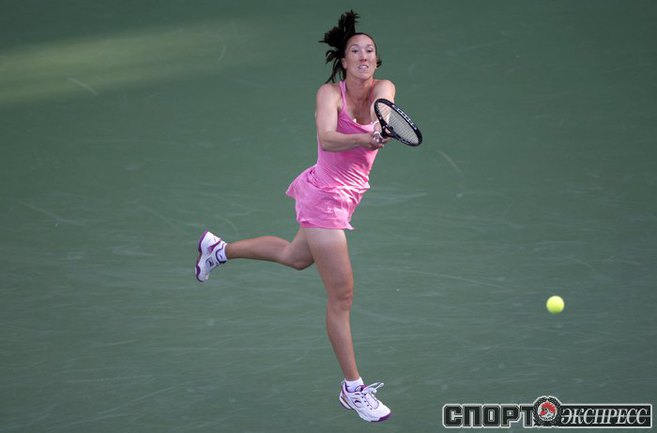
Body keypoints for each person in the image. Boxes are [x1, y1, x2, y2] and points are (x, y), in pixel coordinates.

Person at [195, 10, 397, 423]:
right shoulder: (328, 94)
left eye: (369, 51)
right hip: (323, 198)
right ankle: (352, 389)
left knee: (294, 256)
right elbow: (327, 137)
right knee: (342, 296)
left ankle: (218, 250)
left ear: (376, 60)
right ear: (343, 61)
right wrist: (365, 136)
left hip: (347, 198)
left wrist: (381, 127)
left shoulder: (384, 88)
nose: (363, 56)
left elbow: (385, 116)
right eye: (355, 51)